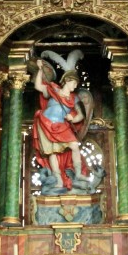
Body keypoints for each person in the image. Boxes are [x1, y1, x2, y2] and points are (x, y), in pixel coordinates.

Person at [32, 58, 86, 191]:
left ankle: (78, 173)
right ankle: (58, 180)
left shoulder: (74, 98)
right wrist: (40, 69)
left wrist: (72, 119)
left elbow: (81, 115)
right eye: (74, 83)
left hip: (62, 126)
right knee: (52, 152)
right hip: (46, 123)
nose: (75, 86)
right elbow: (38, 86)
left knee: (74, 145)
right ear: (67, 81)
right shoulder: (53, 90)